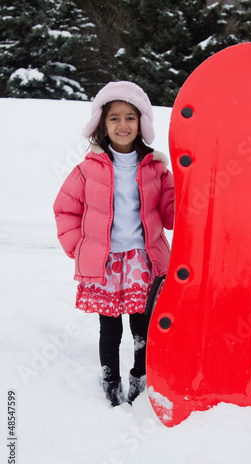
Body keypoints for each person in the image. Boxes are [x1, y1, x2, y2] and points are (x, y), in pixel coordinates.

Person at [53, 81, 174, 407]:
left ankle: (140, 376)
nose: (123, 125)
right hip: (104, 262)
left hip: (142, 260)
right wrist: (79, 248)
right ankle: (110, 378)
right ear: (102, 126)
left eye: (130, 118)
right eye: (114, 118)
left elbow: (172, 215)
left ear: (141, 123)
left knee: (142, 326)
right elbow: (65, 209)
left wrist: (187, 192)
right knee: (110, 328)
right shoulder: (87, 170)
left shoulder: (156, 168)